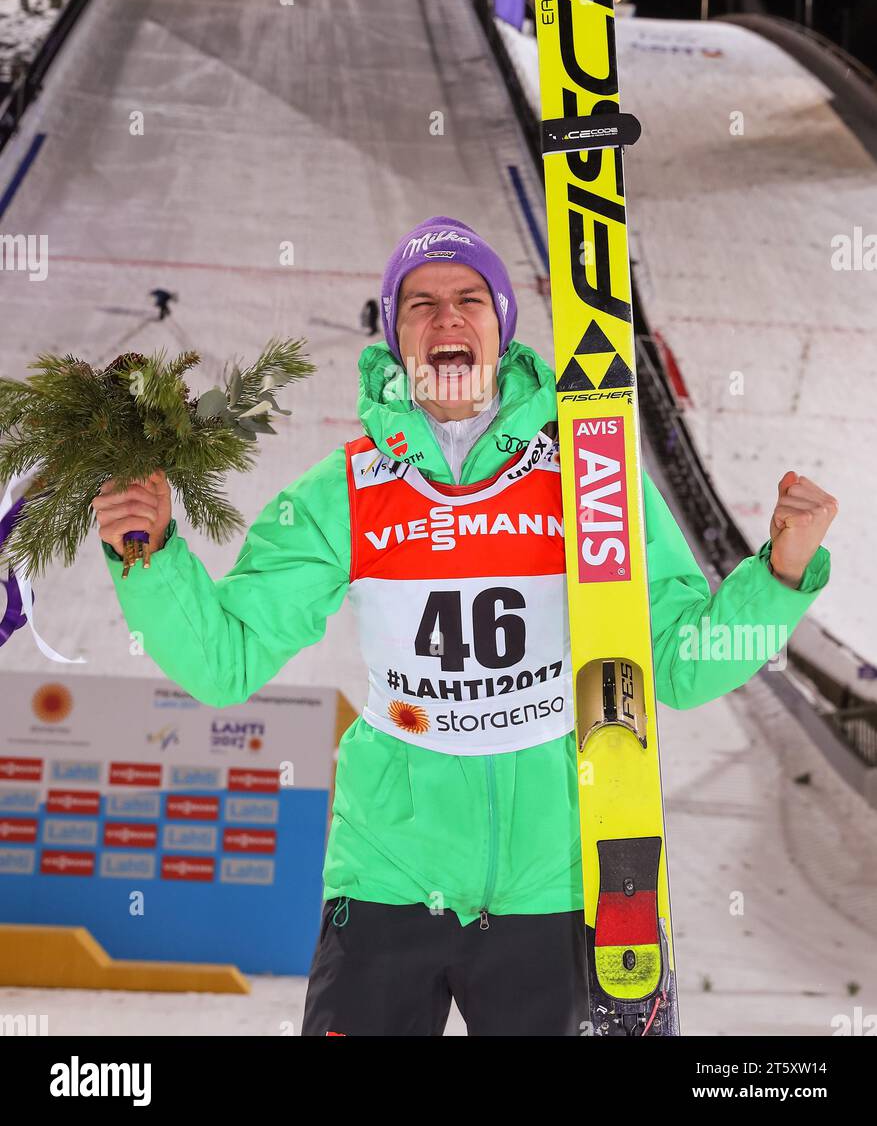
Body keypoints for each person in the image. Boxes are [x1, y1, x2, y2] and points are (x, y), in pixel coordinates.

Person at [93, 215, 838, 1036]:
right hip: (388, 873)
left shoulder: (586, 477)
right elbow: (223, 663)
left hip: (559, 880)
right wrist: (151, 552)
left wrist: (778, 575)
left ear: (501, 326)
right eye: (420, 304)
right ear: (394, 332)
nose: (446, 318)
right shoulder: (342, 492)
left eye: (469, 299)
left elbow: (681, 664)